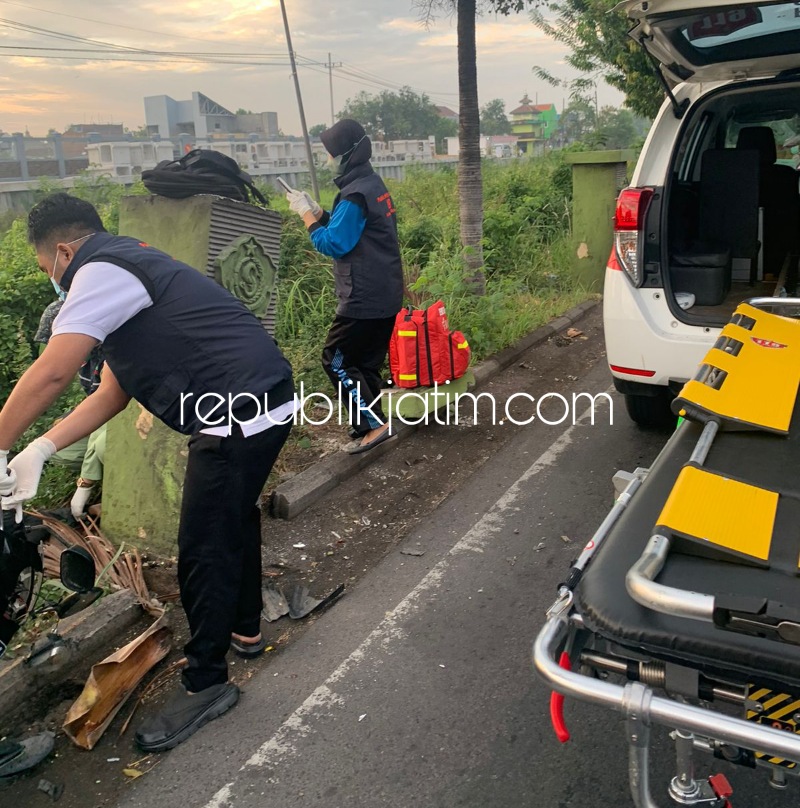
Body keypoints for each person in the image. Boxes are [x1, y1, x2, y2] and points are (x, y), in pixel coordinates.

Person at [0, 193, 296, 752]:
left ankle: (207, 682)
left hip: (239, 411)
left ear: (63, 252)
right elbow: (114, 391)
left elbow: (53, 371)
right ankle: (246, 627)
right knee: (232, 515)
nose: (53, 284)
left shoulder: (100, 271)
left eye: (46, 271)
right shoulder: (126, 266)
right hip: (261, 400)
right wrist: (40, 447)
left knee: (203, 544)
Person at [286, 119, 404, 453]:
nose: (327, 160)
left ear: (345, 154)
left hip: (363, 297)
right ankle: (370, 423)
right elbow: (352, 228)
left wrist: (305, 216)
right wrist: (319, 210)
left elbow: (334, 243)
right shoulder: (370, 184)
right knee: (363, 363)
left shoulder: (355, 194)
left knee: (335, 360)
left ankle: (373, 425)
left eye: (329, 153)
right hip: (385, 291)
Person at [33, 298, 107, 519]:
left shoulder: (113, 351)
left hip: (131, 421)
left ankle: (116, 490)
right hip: (104, 417)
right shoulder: (84, 360)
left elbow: (112, 404)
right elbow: (94, 399)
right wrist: (71, 417)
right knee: (60, 447)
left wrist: (85, 482)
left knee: (104, 447)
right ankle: (107, 474)